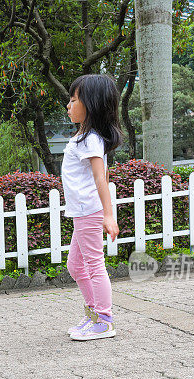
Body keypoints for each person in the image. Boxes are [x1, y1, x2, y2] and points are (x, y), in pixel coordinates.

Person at [62, 74, 122, 341]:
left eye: (74, 100)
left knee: (94, 265)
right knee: (75, 265)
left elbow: (102, 177)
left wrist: (108, 215)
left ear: (91, 103)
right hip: (81, 210)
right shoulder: (83, 137)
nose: (69, 105)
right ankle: (93, 315)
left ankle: (104, 320)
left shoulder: (91, 139)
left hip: (89, 210)